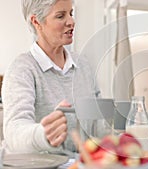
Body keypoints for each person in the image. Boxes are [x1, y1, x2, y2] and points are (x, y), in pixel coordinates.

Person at [1, 0, 97, 154]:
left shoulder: (83, 65)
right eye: (60, 16)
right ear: (36, 21)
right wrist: (42, 134)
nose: (71, 21)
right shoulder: (22, 69)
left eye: (71, 14)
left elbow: (99, 120)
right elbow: (14, 132)